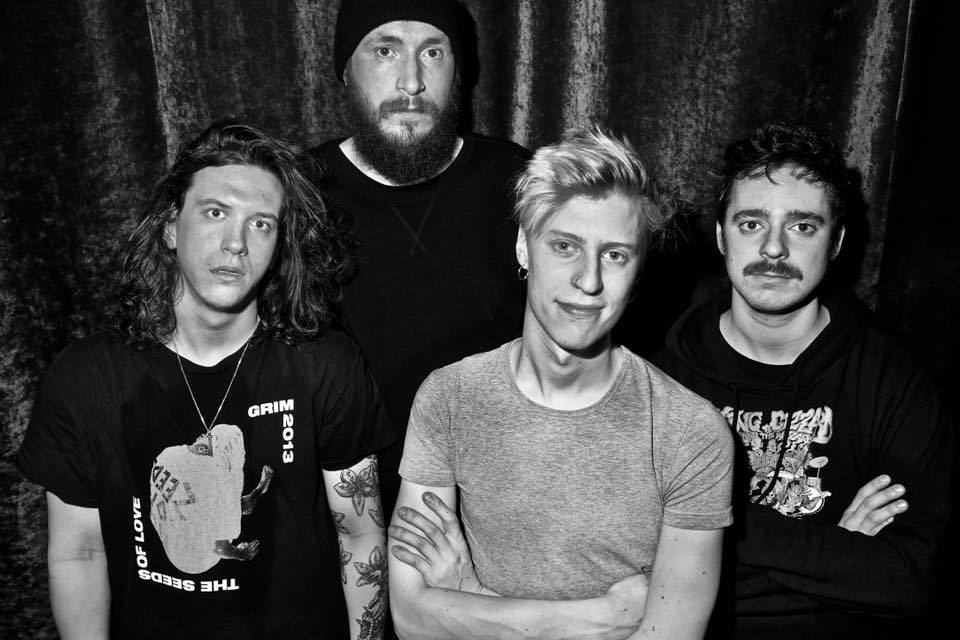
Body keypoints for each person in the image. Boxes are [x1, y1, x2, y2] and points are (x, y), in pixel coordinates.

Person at [16, 120, 395, 640]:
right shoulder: (86, 377)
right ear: (171, 227)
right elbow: (79, 552)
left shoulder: (326, 364)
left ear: (280, 246)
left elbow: (359, 533)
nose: (236, 243)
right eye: (216, 212)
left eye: (261, 223)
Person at [387, 128, 735, 639]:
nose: (588, 280)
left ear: (638, 271)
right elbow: (412, 619)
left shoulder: (690, 431)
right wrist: (602, 617)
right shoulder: (449, 399)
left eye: (615, 255)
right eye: (565, 246)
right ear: (523, 247)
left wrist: (471, 596)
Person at [653, 119, 954, 639]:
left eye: (802, 227)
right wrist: (835, 552)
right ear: (722, 236)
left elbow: (910, 582)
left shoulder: (894, 381)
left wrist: (703, 532)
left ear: (836, 242)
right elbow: (631, 567)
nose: (773, 249)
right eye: (751, 223)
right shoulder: (660, 379)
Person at [311, 0, 530, 522]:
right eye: (385, 51)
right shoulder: (300, 193)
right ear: (346, 70)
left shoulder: (519, 180)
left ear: (459, 72)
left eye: (433, 52)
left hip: (507, 507)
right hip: (341, 516)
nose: (411, 82)